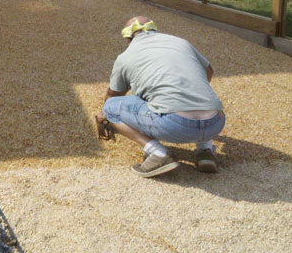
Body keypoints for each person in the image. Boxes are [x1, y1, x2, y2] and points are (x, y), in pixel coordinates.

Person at [96, 16, 226, 178]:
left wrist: (103, 116)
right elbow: (208, 72)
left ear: (128, 38)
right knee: (200, 97)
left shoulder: (125, 57)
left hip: (174, 126)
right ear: (153, 30)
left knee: (110, 109)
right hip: (216, 121)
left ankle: (158, 154)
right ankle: (205, 150)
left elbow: (113, 97)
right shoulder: (181, 43)